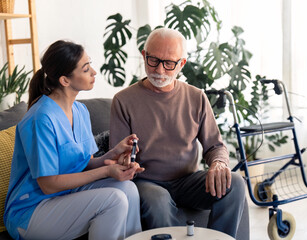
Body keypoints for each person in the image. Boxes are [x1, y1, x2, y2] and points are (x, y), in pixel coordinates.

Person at [110, 28, 249, 239]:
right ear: (144, 55)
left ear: (181, 64)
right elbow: (117, 155)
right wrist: (125, 161)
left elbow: (215, 146)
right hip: (148, 182)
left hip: (188, 181)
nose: (160, 70)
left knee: (236, 183)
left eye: (169, 63)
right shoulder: (123, 100)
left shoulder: (196, 97)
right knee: (157, 200)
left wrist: (218, 163)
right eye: (153, 60)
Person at [4, 40, 144, 240]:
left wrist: (114, 153)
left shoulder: (79, 111)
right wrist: (106, 171)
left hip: (66, 196)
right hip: (32, 211)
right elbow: (49, 184)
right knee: (113, 199)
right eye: (86, 69)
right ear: (65, 80)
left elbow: (83, 164)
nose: (94, 72)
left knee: (127, 188)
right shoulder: (41, 119)